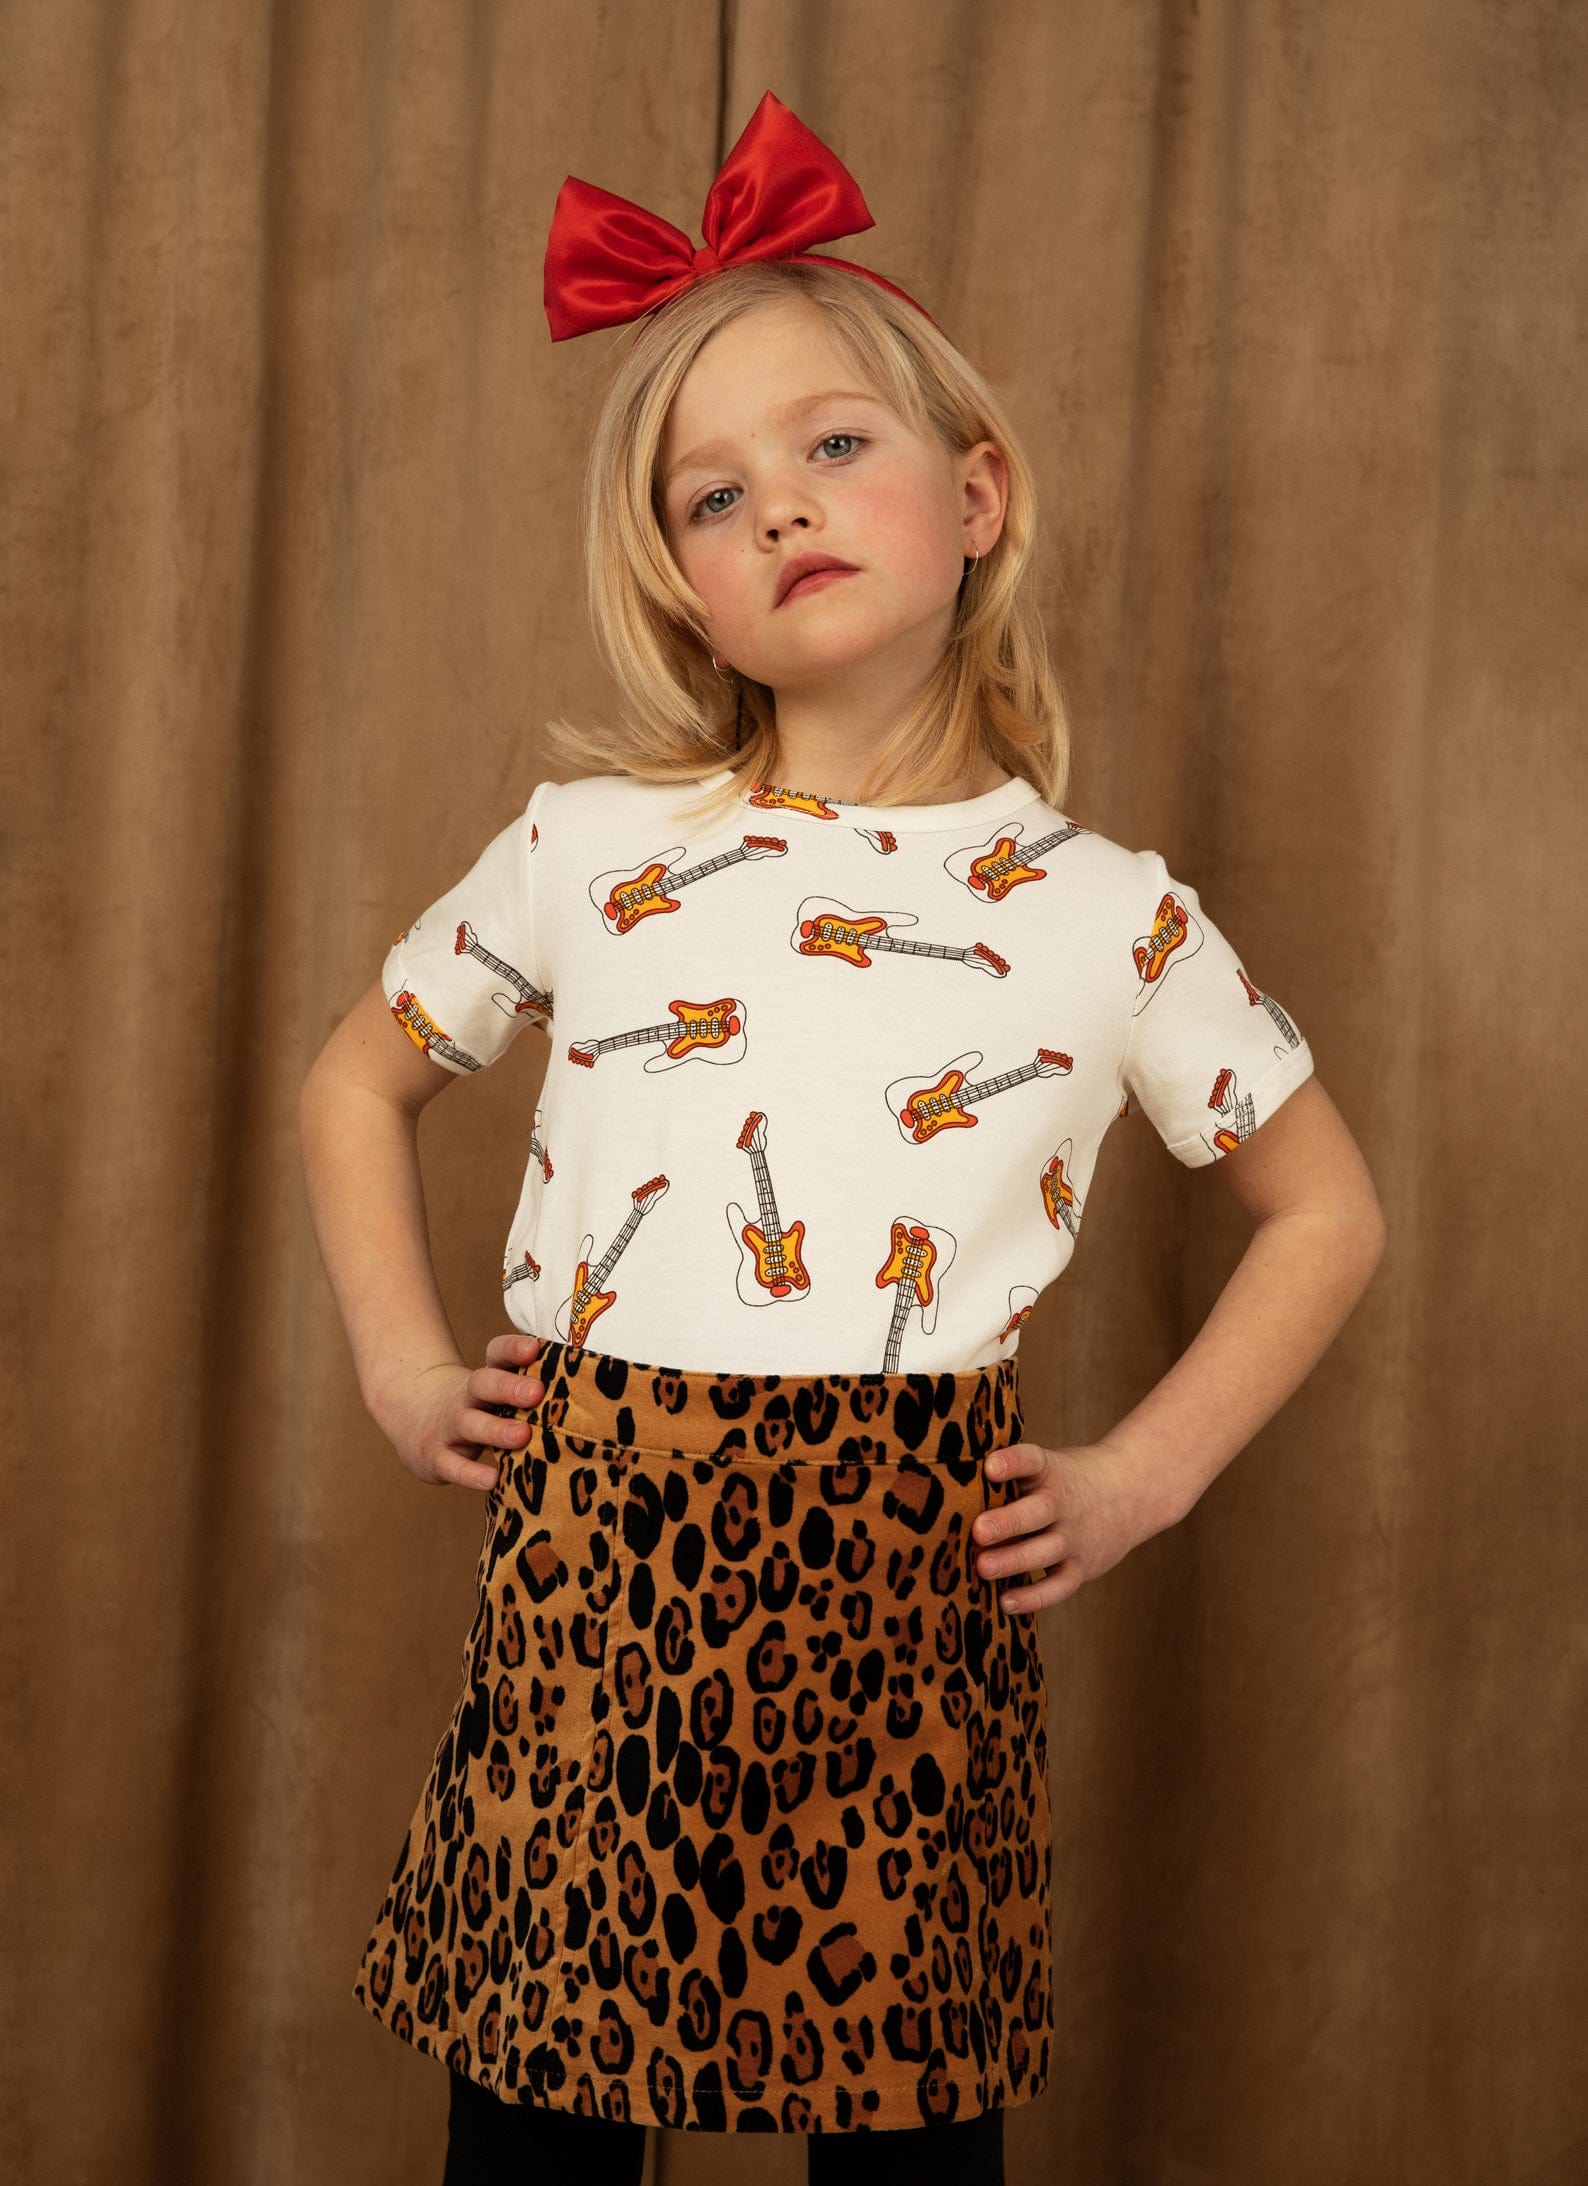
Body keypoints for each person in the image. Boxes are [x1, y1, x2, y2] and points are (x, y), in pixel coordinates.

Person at [299, 91, 1385, 2186]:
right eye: (713, 496)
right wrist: (405, 1366)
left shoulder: (1107, 911)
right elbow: (355, 1080)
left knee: (903, 2145)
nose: (779, 505)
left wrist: (1141, 1477)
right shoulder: (589, 849)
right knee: (536, 2133)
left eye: (830, 445)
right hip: (593, 1570)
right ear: (685, 597)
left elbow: (1323, 1208)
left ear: (975, 493)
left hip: (906, 1590)